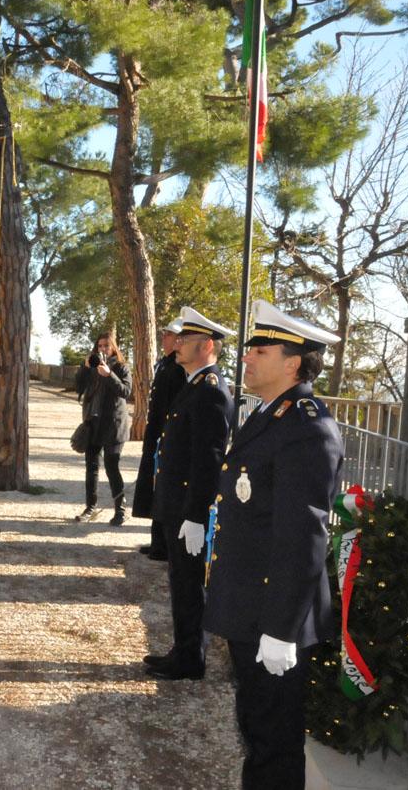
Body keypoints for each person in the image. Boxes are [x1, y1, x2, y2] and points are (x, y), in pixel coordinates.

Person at [203, 301, 343, 789]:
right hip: (251, 603)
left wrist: (282, 629)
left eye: (259, 350)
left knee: (275, 736)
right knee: (257, 726)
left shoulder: (306, 429)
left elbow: (303, 535)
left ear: (292, 362)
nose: (247, 357)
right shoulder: (271, 415)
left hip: (273, 612)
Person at [144, 307, 235, 681]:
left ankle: (190, 658)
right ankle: (183, 650)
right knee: (180, 583)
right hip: (176, 505)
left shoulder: (210, 391)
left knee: (189, 584)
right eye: (178, 339)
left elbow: (208, 461)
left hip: (187, 509)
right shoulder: (194, 384)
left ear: (207, 346)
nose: (177, 345)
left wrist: (196, 516)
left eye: (186, 341)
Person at [133, 318, 187, 559]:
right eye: (164, 334)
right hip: (157, 432)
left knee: (163, 488)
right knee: (156, 488)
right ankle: (157, 541)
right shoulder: (165, 364)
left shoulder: (177, 368)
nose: (163, 338)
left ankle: (162, 545)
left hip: (165, 434)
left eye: (168, 335)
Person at [72, 332, 133, 526]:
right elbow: (77, 388)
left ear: (114, 347)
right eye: (100, 346)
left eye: (107, 346)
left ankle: (120, 510)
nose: (103, 349)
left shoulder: (122, 367)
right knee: (91, 469)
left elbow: (125, 391)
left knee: (111, 466)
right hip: (92, 424)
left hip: (114, 426)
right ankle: (90, 508)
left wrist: (109, 374)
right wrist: (84, 367)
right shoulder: (91, 368)